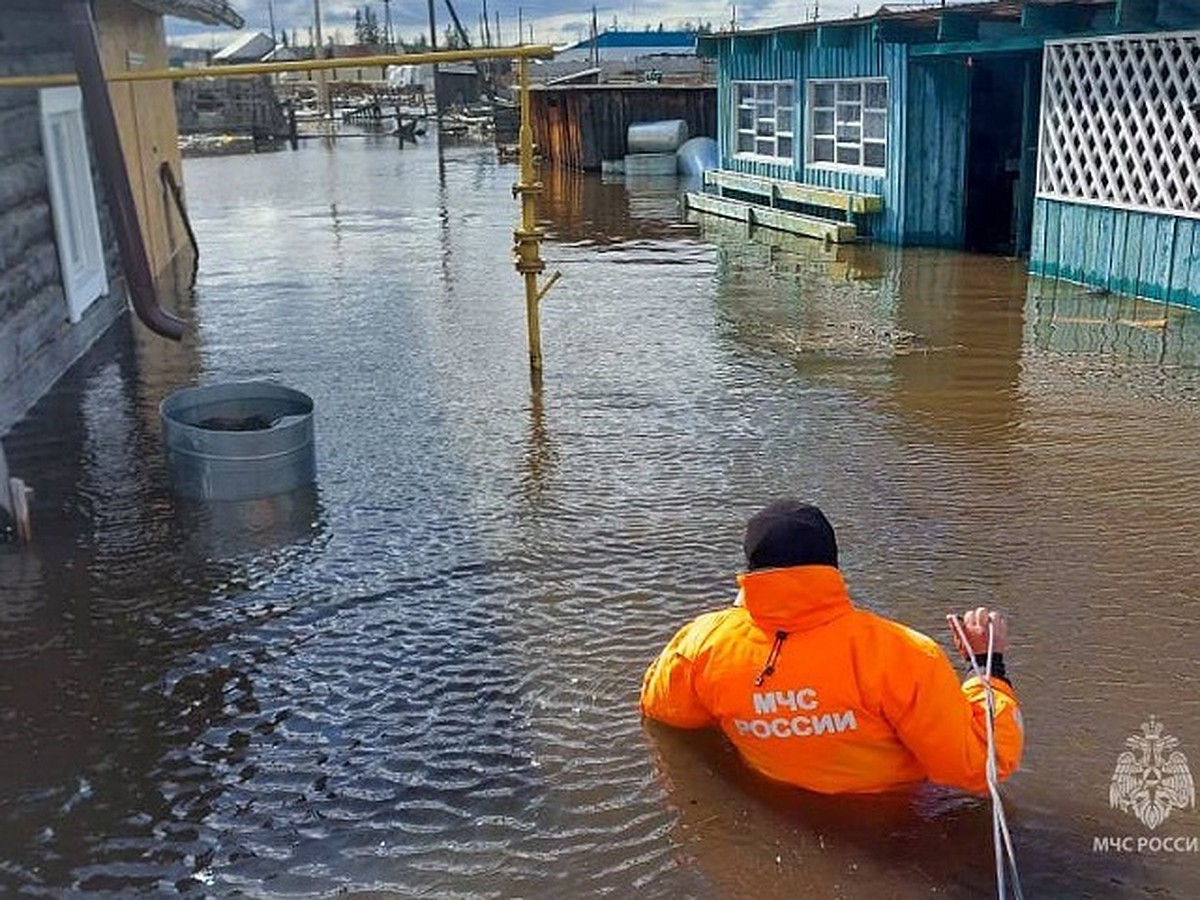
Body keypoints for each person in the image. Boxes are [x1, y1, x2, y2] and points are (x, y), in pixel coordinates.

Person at [640, 499, 1023, 795]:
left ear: (749, 572)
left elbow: (662, 712)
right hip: (899, 817)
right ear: (833, 565)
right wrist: (987, 668)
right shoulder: (902, 653)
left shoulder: (704, 644)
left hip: (781, 808)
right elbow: (980, 768)